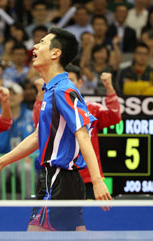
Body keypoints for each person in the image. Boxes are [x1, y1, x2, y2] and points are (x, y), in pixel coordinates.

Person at [0, 27, 111, 231]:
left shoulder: (63, 90)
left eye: (41, 42)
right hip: (61, 179)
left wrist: (97, 180)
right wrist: (0, 162)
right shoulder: (51, 90)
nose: (35, 46)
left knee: (35, 235)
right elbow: (37, 137)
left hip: (58, 177)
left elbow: (82, 133)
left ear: (55, 53)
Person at [33, 66, 121, 199]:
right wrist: (41, 95)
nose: (66, 84)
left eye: (71, 80)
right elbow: (39, 127)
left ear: (80, 83)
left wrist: (109, 88)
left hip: (89, 177)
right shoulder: (53, 105)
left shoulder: (92, 108)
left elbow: (114, 117)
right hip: (60, 176)